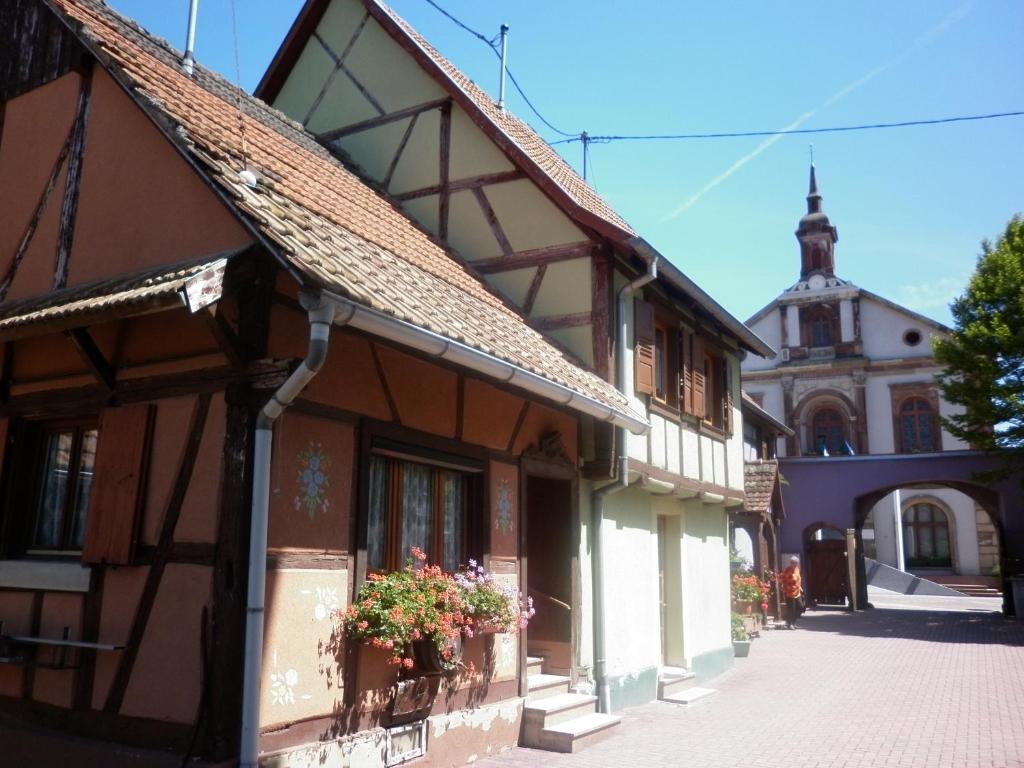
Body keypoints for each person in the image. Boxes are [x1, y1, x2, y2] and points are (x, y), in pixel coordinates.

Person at [780, 556, 803, 629]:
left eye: (796, 563)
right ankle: (790, 624)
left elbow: (798, 579)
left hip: (797, 592)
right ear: (790, 563)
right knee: (791, 609)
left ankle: (792, 622)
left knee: (800, 607)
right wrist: (785, 588)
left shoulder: (797, 569)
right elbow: (782, 579)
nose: (795, 565)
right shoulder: (787, 570)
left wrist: (800, 587)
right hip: (790, 593)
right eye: (794, 563)